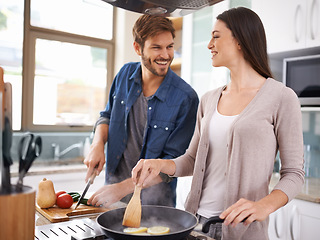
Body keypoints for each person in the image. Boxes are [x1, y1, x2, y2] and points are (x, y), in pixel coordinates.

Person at [132, 7, 305, 240]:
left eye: (216, 36)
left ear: (240, 41)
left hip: (243, 228)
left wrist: (264, 206)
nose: (209, 45)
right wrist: (160, 165)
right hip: (195, 224)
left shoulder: (282, 97)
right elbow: (192, 160)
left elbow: (294, 173)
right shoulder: (209, 99)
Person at [83, 14, 199, 208]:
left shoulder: (186, 98)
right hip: (112, 193)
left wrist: (122, 188)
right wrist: (97, 144)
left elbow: (172, 165)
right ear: (138, 48)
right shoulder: (124, 74)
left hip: (154, 204)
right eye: (156, 47)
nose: (166, 55)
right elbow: (107, 116)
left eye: (169, 46)